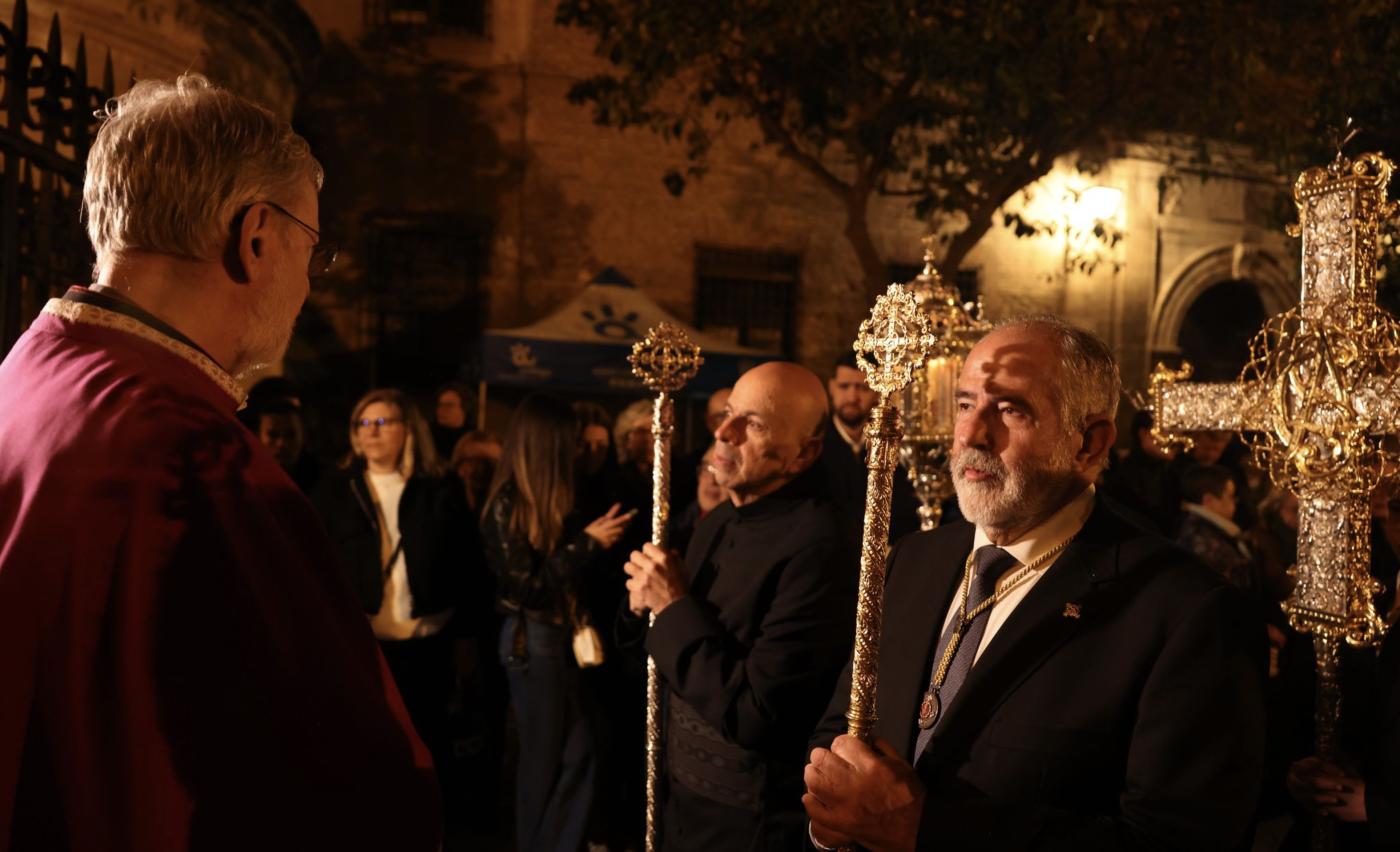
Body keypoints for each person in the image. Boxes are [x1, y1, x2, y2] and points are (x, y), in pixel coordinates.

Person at [0, 74, 439, 851]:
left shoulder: (26, 376)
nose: (309, 281)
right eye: (315, 248)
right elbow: (351, 777)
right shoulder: (202, 461)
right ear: (257, 236)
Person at [803, 315, 1266, 850]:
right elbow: (842, 725)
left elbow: (1179, 841)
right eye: (965, 403)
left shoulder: (1187, 613)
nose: (972, 435)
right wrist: (829, 817)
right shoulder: (912, 561)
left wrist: (924, 829)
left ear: (1089, 444)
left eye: (1009, 409)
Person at [622, 361, 858, 850]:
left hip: (746, 819)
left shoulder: (819, 546)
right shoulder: (720, 519)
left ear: (803, 454)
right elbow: (664, 654)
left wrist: (670, 607)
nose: (724, 433)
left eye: (752, 423)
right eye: (727, 414)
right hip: (679, 797)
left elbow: (759, 714)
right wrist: (641, 604)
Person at [312, 388, 476, 814]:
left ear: (408, 431)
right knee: (367, 747)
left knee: (425, 745)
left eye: (383, 422)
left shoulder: (438, 486)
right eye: (363, 423)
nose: (372, 432)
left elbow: (465, 561)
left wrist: (465, 637)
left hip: (427, 639)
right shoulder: (336, 488)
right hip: (364, 643)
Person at [481, 394, 634, 852]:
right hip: (533, 642)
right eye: (569, 441)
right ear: (546, 442)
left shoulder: (552, 496)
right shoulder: (507, 504)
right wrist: (586, 545)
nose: (577, 451)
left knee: (580, 750)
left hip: (558, 639)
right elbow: (526, 588)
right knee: (544, 761)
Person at [819, 351, 924, 542]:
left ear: (877, 392)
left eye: (862, 388)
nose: (852, 396)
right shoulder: (815, 446)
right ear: (831, 388)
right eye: (844, 387)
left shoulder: (895, 447)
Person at [1176, 463, 1256, 592]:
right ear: (1209, 500)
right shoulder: (1205, 541)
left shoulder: (1199, 529)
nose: (1235, 503)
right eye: (1230, 496)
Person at [1103, 409, 1180, 534]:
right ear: (1143, 433)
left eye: (1176, 432)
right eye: (1166, 433)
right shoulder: (1127, 474)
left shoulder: (1170, 470)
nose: (1174, 439)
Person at [255, 395, 323, 494]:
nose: (282, 444)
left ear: (304, 436)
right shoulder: (246, 480)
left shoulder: (323, 484)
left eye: (290, 435)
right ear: (258, 436)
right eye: (273, 435)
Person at [431, 381, 473, 460]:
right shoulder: (428, 437)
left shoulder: (472, 439)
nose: (441, 410)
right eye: (440, 405)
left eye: (449, 405)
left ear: (464, 408)